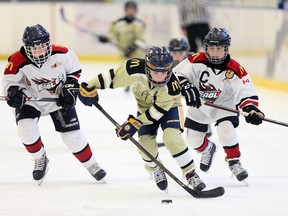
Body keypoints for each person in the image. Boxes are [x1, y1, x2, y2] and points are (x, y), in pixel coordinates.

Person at [78, 46, 207, 192]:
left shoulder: (172, 87)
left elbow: (157, 113)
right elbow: (112, 77)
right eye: (155, 71)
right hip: (145, 110)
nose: (160, 76)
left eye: (164, 71)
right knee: (145, 146)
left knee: (172, 138)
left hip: (170, 108)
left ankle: (190, 173)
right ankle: (155, 168)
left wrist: (134, 124)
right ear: (147, 67)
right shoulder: (134, 68)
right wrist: (89, 86)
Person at [1, 24, 106, 185]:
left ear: (48, 43)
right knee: (25, 128)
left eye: (42, 47)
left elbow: (74, 72)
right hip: (32, 100)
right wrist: (14, 93)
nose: (39, 52)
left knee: (73, 136)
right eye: (34, 49)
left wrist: (70, 86)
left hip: (58, 99)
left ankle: (91, 164)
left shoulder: (62, 53)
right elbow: (9, 82)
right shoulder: (16, 60)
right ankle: (40, 159)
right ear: (26, 48)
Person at [174, 27, 265, 183]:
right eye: (211, 48)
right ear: (206, 47)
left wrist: (251, 109)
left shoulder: (235, 68)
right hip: (200, 104)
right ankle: (208, 148)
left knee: (226, 129)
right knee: (192, 140)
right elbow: (176, 74)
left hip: (224, 104)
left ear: (226, 49)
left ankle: (234, 161)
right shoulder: (196, 59)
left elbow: (245, 90)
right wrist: (187, 86)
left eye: (219, 49)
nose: (215, 52)